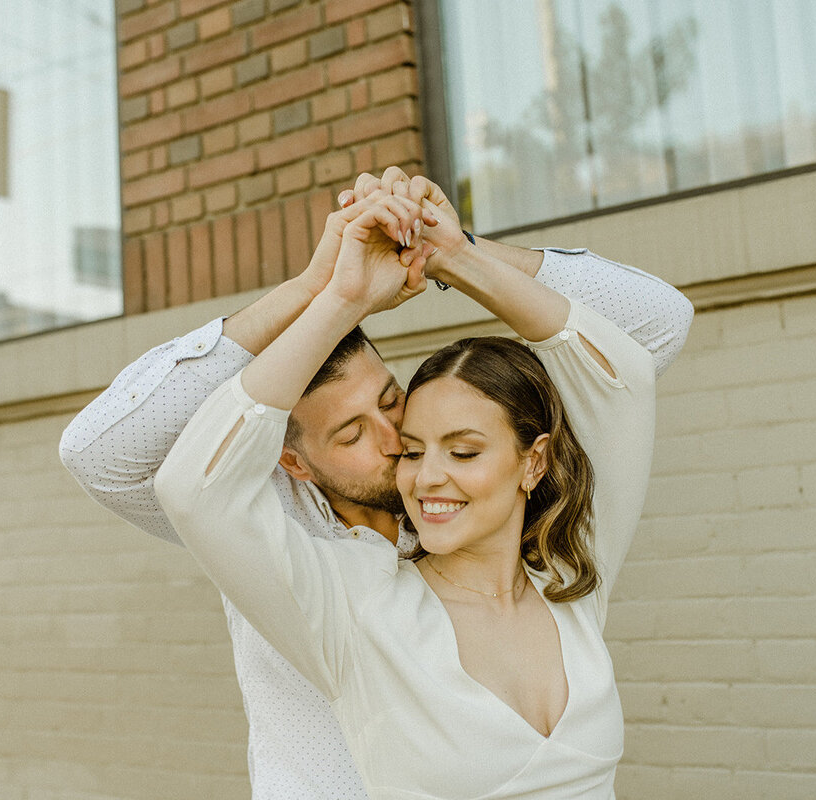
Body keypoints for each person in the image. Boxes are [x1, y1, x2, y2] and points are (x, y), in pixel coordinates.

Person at [59, 167, 693, 799]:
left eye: (392, 403)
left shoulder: (538, 554)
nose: (397, 444)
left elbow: (652, 330)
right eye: (352, 435)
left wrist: (456, 255)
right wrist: (324, 291)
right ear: (293, 461)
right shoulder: (284, 530)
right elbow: (104, 456)